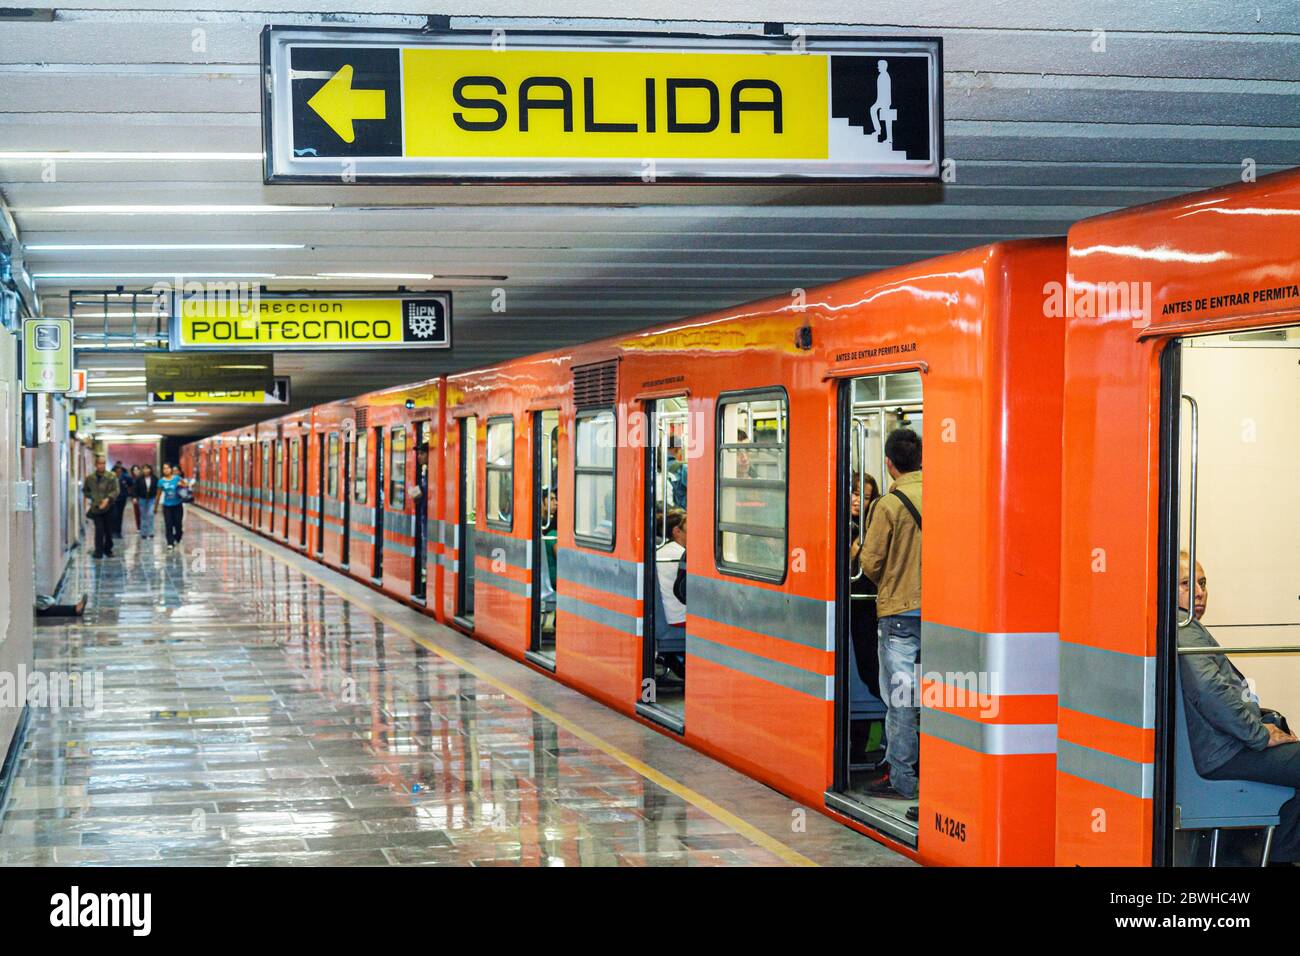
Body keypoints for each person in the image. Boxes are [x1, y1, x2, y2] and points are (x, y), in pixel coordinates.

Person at [1178, 553, 1299, 865]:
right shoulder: (1184, 630)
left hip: (1225, 745)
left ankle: (1277, 854)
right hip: (1225, 752)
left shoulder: (1184, 628)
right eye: (1186, 584)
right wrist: (1260, 734)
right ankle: (1277, 857)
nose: (1199, 593)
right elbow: (1210, 692)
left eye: (1203, 583)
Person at [858, 428, 922, 801]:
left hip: (900, 613)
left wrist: (857, 551)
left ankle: (902, 778)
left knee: (901, 699)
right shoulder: (944, 495)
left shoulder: (888, 505)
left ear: (888, 463)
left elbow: (871, 564)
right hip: (943, 615)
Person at [848, 472, 883, 759]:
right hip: (844, 605)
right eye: (855, 493)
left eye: (866, 496)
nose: (859, 500)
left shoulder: (873, 529)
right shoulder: (838, 526)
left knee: (869, 670)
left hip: (866, 607)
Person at [655, 508, 688, 679]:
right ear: (677, 531)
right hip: (679, 619)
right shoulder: (681, 556)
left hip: (665, 618)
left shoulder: (661, 552)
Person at [82, 457, 119, 559]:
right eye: (99, 463)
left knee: (108, 530)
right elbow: (85, 490)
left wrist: (108, 499)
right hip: (96, 508)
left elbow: (116, 490)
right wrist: (93, 497)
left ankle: (108, 549)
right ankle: (98, 551)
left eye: (103, 463)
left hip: (109, 507)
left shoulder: (111, 476)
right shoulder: (90, 478)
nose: (101, 465)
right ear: (96, 464)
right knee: (99, 530)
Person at [158, 462, 189, 550]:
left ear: (171, 469)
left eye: (167, 468)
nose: (166, 470)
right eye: (164, 468)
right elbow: (158, 494)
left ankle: (177, 537)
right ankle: (170, 542)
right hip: (167, 506)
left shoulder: (177, 478)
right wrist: (156, 507)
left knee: (178, 524)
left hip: (177, 505)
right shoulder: (161, 481)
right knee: (168, 524)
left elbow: (186, 486)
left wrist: (181, 485)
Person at [134, 463, 159, 539]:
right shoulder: (139, 479)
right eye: (144, 469)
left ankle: (151, 532)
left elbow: (157, 489)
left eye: (147, 468)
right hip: (142, 498)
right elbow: (135, 488)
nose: (146, 470)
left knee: (151, 514)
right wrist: (135, 497)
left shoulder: (155, 478)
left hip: (152, 498)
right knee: (143, 515)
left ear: (150, 470)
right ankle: (144, 532)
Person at [110, 462, 132, 538]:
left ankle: (118, 531)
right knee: (114, 515)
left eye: (120, 470)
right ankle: (112, 531)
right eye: (117, 470)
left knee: (120, 515)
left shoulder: (125, 477)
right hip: (113, 499)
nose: (118, 471)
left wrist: (129, 492)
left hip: (122, 498)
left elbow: (131, 484)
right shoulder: (111, 477)